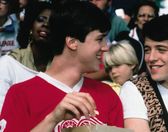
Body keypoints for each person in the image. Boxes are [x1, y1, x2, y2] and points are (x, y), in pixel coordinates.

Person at [0, 1, 123, 131]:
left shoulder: (108, 95)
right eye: (99, 39)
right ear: (72, 42)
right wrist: (53, 119)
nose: (105, 47)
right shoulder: (21, 94)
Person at [0, 1, 52, 112]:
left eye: (52, 22)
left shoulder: (60, 63)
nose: (46, 24)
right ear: (30, 26)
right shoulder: (11, 62)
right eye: (40, 20)